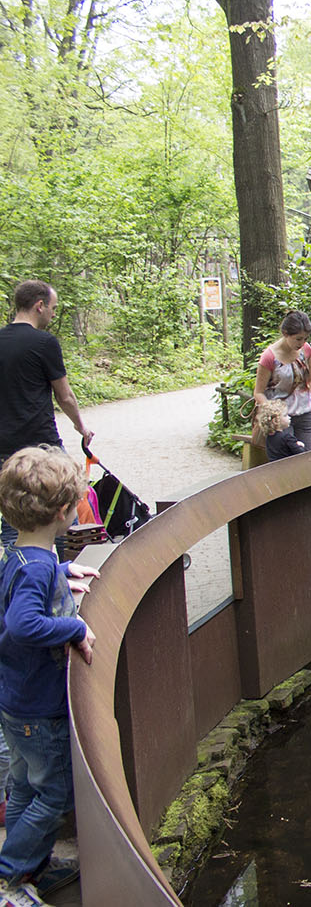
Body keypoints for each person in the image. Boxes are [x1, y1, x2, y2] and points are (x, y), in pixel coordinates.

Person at [0, 446, 99, 904]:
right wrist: (74, 624)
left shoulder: (20, 556)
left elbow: (23, 595)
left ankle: (30, 866)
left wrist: (62, 572)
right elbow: (24, 624)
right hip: (38, 708)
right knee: (54, 793)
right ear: (64, 512)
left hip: (16, 702)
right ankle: (11, 877)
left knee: (22, 784)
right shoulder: (35, 568)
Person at [0, 280, 94, 550]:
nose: (53, 314)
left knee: (14, 519)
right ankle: (69, 576)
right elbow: (64, 396)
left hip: (4, 450)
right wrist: (81, 428)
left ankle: (15, 578)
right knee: (63, 509)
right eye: (52, 308)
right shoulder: (44, 343)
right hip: (41, 446)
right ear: (39, 306)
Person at [254, 311, 311, 453]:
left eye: (305, 339)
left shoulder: (306, 350)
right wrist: (273, 413)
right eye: (298, 339)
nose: (302, 343)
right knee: (288, 461)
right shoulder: (269, 357)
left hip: (305, 413)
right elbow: (258, 392)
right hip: (281, 419)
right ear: (285, 333)